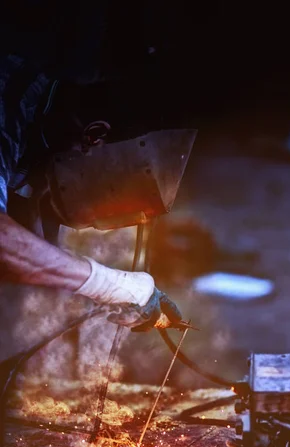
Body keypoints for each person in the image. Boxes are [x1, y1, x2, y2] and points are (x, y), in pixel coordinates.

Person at [0, 51, 195, 332]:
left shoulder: (41, 135)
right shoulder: (8, 107)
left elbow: (24, 257)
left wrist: (109, 293)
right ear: (94, 136)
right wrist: (108, 284)